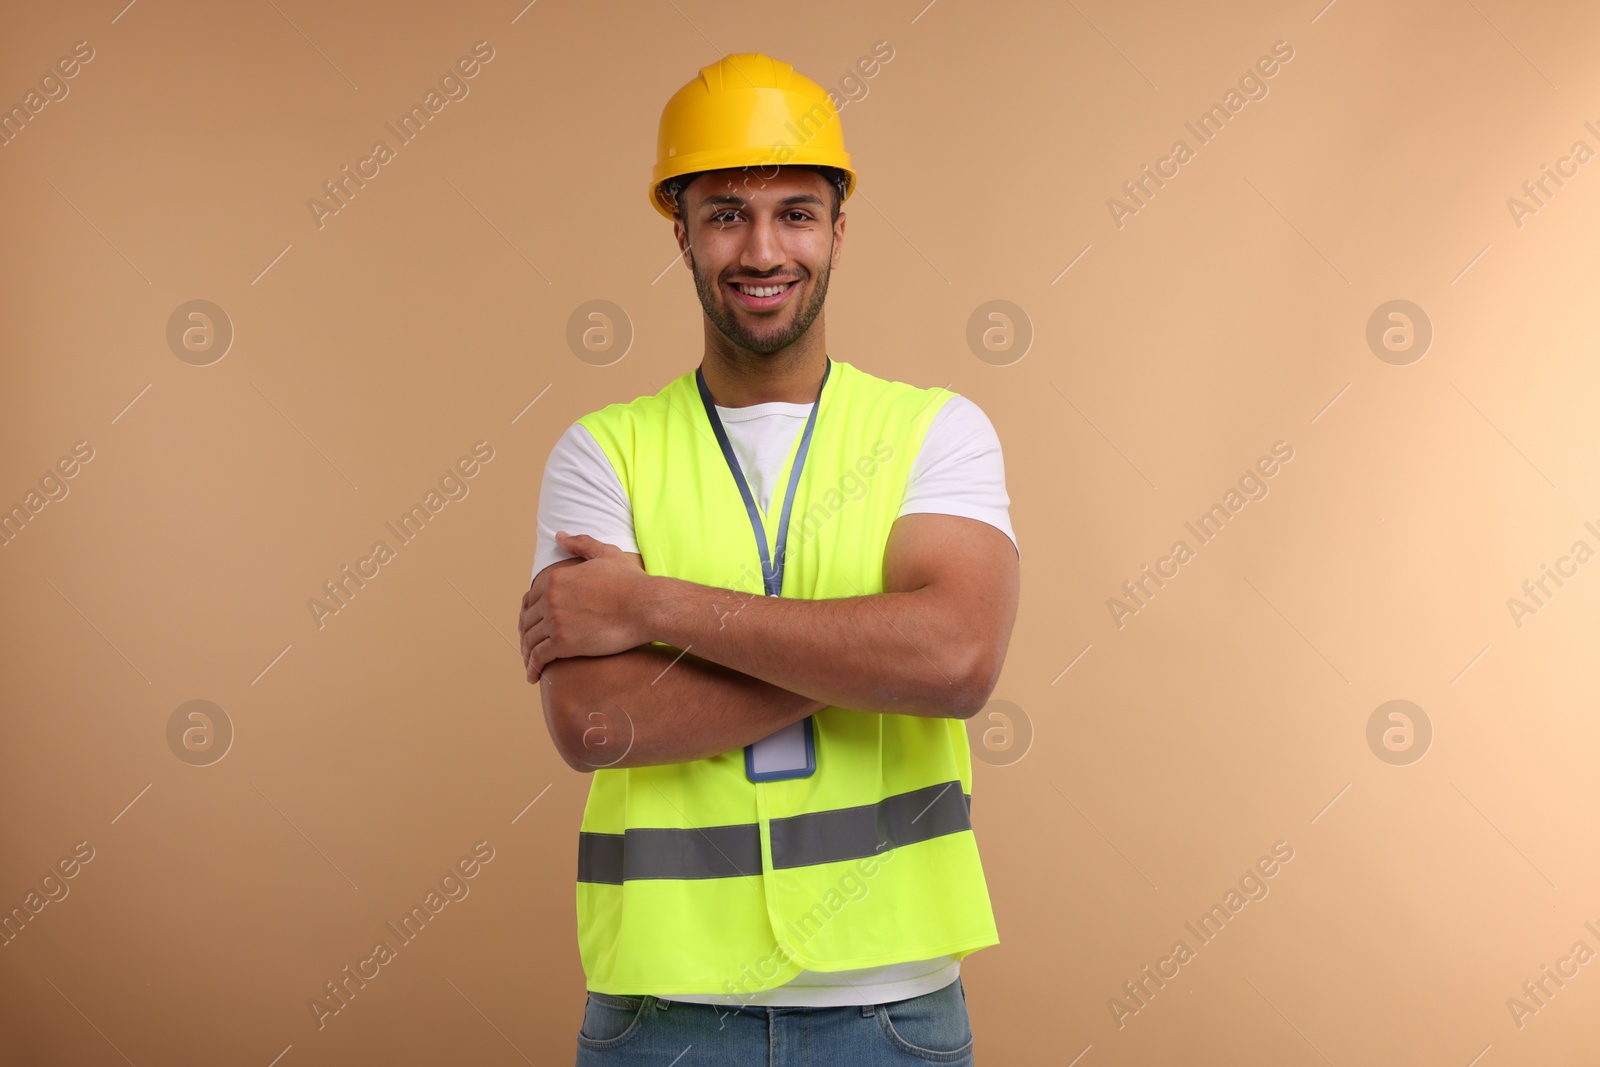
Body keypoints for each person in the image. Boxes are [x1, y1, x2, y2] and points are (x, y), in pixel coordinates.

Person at [518, 51, 1020, 1066]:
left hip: (892, 1011)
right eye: (725, 213)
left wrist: (648, 603)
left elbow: (955, 661)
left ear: (839, 227)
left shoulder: (937, 432)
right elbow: (596, 722)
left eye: (795, 210)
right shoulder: (600, 451)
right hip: (660, 1013)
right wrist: (870, 648)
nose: (761, 246)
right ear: (682, 233)